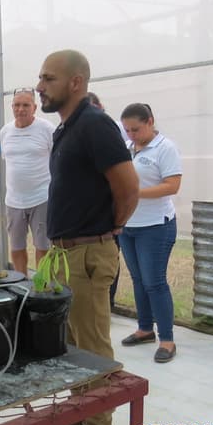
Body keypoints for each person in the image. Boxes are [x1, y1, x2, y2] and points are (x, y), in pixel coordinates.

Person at [38, 49, 139, 425]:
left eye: (48, 78)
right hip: (66, 253)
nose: (40, 86)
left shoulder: (95, 125)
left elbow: (128, 188)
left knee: (94, 345)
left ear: (75, 82)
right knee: (75, 342)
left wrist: (109, 230)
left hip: (87, 251)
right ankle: (81, 413)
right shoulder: (66, 128)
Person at [118, 103, 182, 363]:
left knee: (154, 282)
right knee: (137, 279)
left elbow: (172, 185)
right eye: (127, 130)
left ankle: (167, 339)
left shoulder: (165, 148)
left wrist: (136, 193)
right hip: (128, 225)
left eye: (135, 129)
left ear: (150, 121)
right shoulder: (127, 148)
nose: (131, 134)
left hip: (156, 226)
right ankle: (145, 329)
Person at [0, 88, 55, 274]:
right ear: (12, 107)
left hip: (42, 198)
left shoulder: (47, 129)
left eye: (25, 105)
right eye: (17, 105)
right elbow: (7, 161)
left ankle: (42, 285)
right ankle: (21, 283)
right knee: (16, 247)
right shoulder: (5, 131)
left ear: (34, 107)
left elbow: (57, 160)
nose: (20, 109)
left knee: (43, 246)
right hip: (14, 201)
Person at [87, 91, 123, 307]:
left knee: (108, 261)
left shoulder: (109, 129)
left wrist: (118, 220)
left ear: (100, 106)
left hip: (108, 212)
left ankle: (108, 302)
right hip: (91, 213)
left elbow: (124, 183)